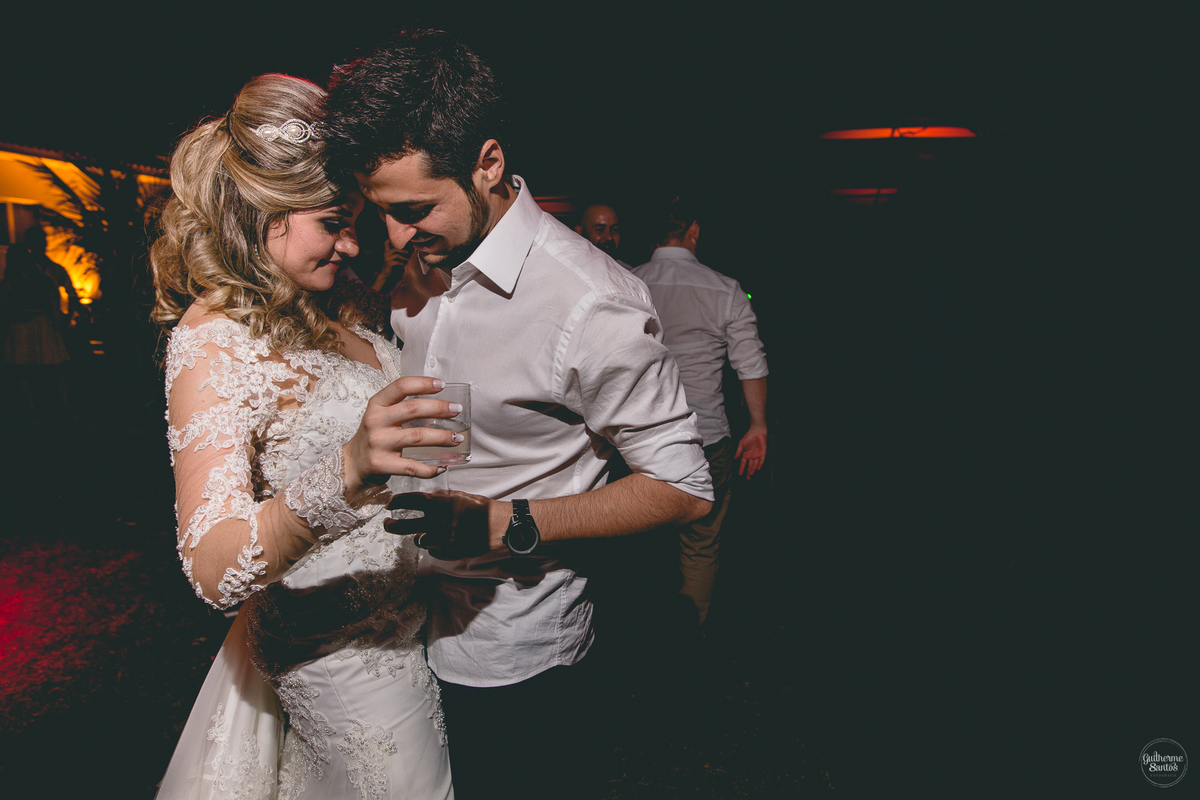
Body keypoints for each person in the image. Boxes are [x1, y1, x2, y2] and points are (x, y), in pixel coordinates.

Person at [321, 31, 713, 800]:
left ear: (488, 164)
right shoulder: (416, 262)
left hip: (509, 649)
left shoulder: (590, 302)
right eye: (383, 213)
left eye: (413, 210)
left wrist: (509, 524)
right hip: (394, 628)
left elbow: (683, 487)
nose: (396, 237)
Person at [151, 73, 457, 799]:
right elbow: (212, 565)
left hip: (425, 622)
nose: (352, 244)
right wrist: (346, 471)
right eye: (331, 222)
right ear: (263, 214)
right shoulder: (214, 339)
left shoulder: (338, 305)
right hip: (340, 658)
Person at [634, 194, 769, 628]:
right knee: (701, 545)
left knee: (640, 543)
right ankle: (688, 639)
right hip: (706, 438)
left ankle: (643, 630)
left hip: (638, 442)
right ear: (693, 231)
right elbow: (750, 364)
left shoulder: (626, 282)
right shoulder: (724, 288)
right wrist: (758, 425)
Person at [0, 226, 80, 421]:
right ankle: (45, 410)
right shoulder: (39, 275)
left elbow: (67, 295)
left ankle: (50, 409)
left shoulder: (48, 272)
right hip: (36, 324)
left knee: (46, 369)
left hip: (38, 325)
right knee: (40, 369)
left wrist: (63, 319)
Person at [574, 202, 633, 269]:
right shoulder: (570, 268)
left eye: (614, 229)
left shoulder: (627, 272)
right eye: (600, 230)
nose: (609, 237)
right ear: (579, 231)